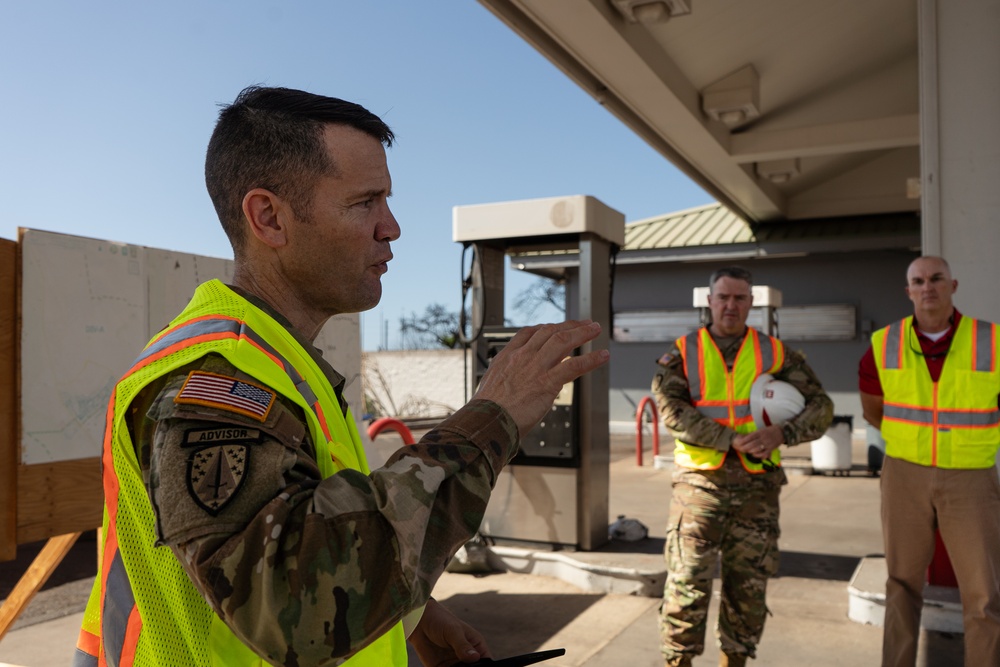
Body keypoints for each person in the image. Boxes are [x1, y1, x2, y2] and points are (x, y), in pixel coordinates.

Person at [72, 86, 608, 667]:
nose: (392, 228)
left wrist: (405, 611)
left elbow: (307, 526)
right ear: (269, 217)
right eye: (365, 203)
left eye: (388, 200)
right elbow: (289, 606)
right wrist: (489, 420)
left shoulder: (281, 362)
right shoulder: (212, 379)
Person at [651, 266, 833, 667]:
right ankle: (677, 662)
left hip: (757, 488)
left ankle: (733, 662)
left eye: (740, 298)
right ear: (709, 301)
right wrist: (727, 439)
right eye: (723, 297)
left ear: (751, 302)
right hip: (700, 484)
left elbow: (822, 406)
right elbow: (670, 408)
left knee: (747, 586)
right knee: (687, 580)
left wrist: (780, 434)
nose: (730, 305)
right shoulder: (684, 351)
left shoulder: (776, 353)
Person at [858, 255, 1000, 667]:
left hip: (971, 478)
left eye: (937, 279)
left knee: (984, 595)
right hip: (905, 474)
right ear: (908, 291)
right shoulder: (884, 342)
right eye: (918, 281)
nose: (928, 287)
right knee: (901, 585)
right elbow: (873, 409)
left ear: (953, 286)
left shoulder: (991, 340)